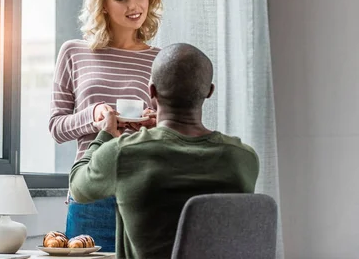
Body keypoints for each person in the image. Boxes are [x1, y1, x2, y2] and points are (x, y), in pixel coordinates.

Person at [69, 43, 260, 259]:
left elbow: (78, 187)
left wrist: (104, 135)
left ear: (152, 91)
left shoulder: (124, 153)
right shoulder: (244, 158)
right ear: (209, 91)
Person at [48, 0, 163, 251]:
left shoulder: (159, 59)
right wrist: (95, 115)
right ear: (103, 5)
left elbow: (170, 133)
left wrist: (154, 123)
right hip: (91, 190)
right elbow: (57, 128)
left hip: (141, 189)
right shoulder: (74, 52)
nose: (134, 5)